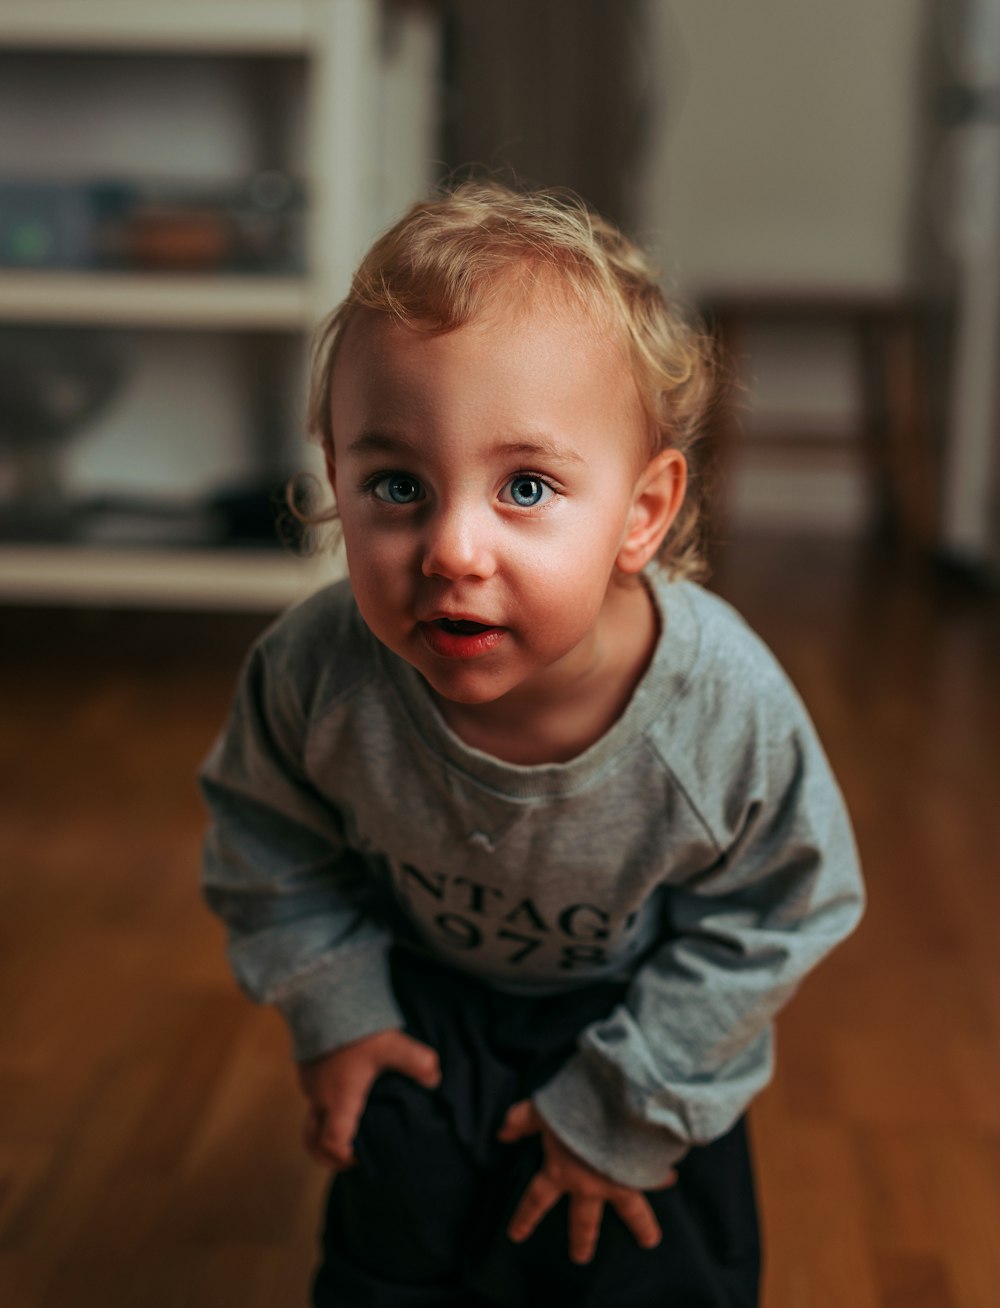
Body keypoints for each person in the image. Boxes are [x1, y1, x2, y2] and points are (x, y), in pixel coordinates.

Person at [200, 180, 864, 1307]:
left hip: (643, 1021)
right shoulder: (318, 674)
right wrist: (335, 1009)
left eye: (525, 486)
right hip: (421, 1010)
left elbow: (780, 911)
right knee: (390, 1264)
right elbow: (267, 841)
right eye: (396, 485)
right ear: (334, 482)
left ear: (640, 513)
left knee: (646, 1267)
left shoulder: (718, 710)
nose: (453, 548)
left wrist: (629, 1106)